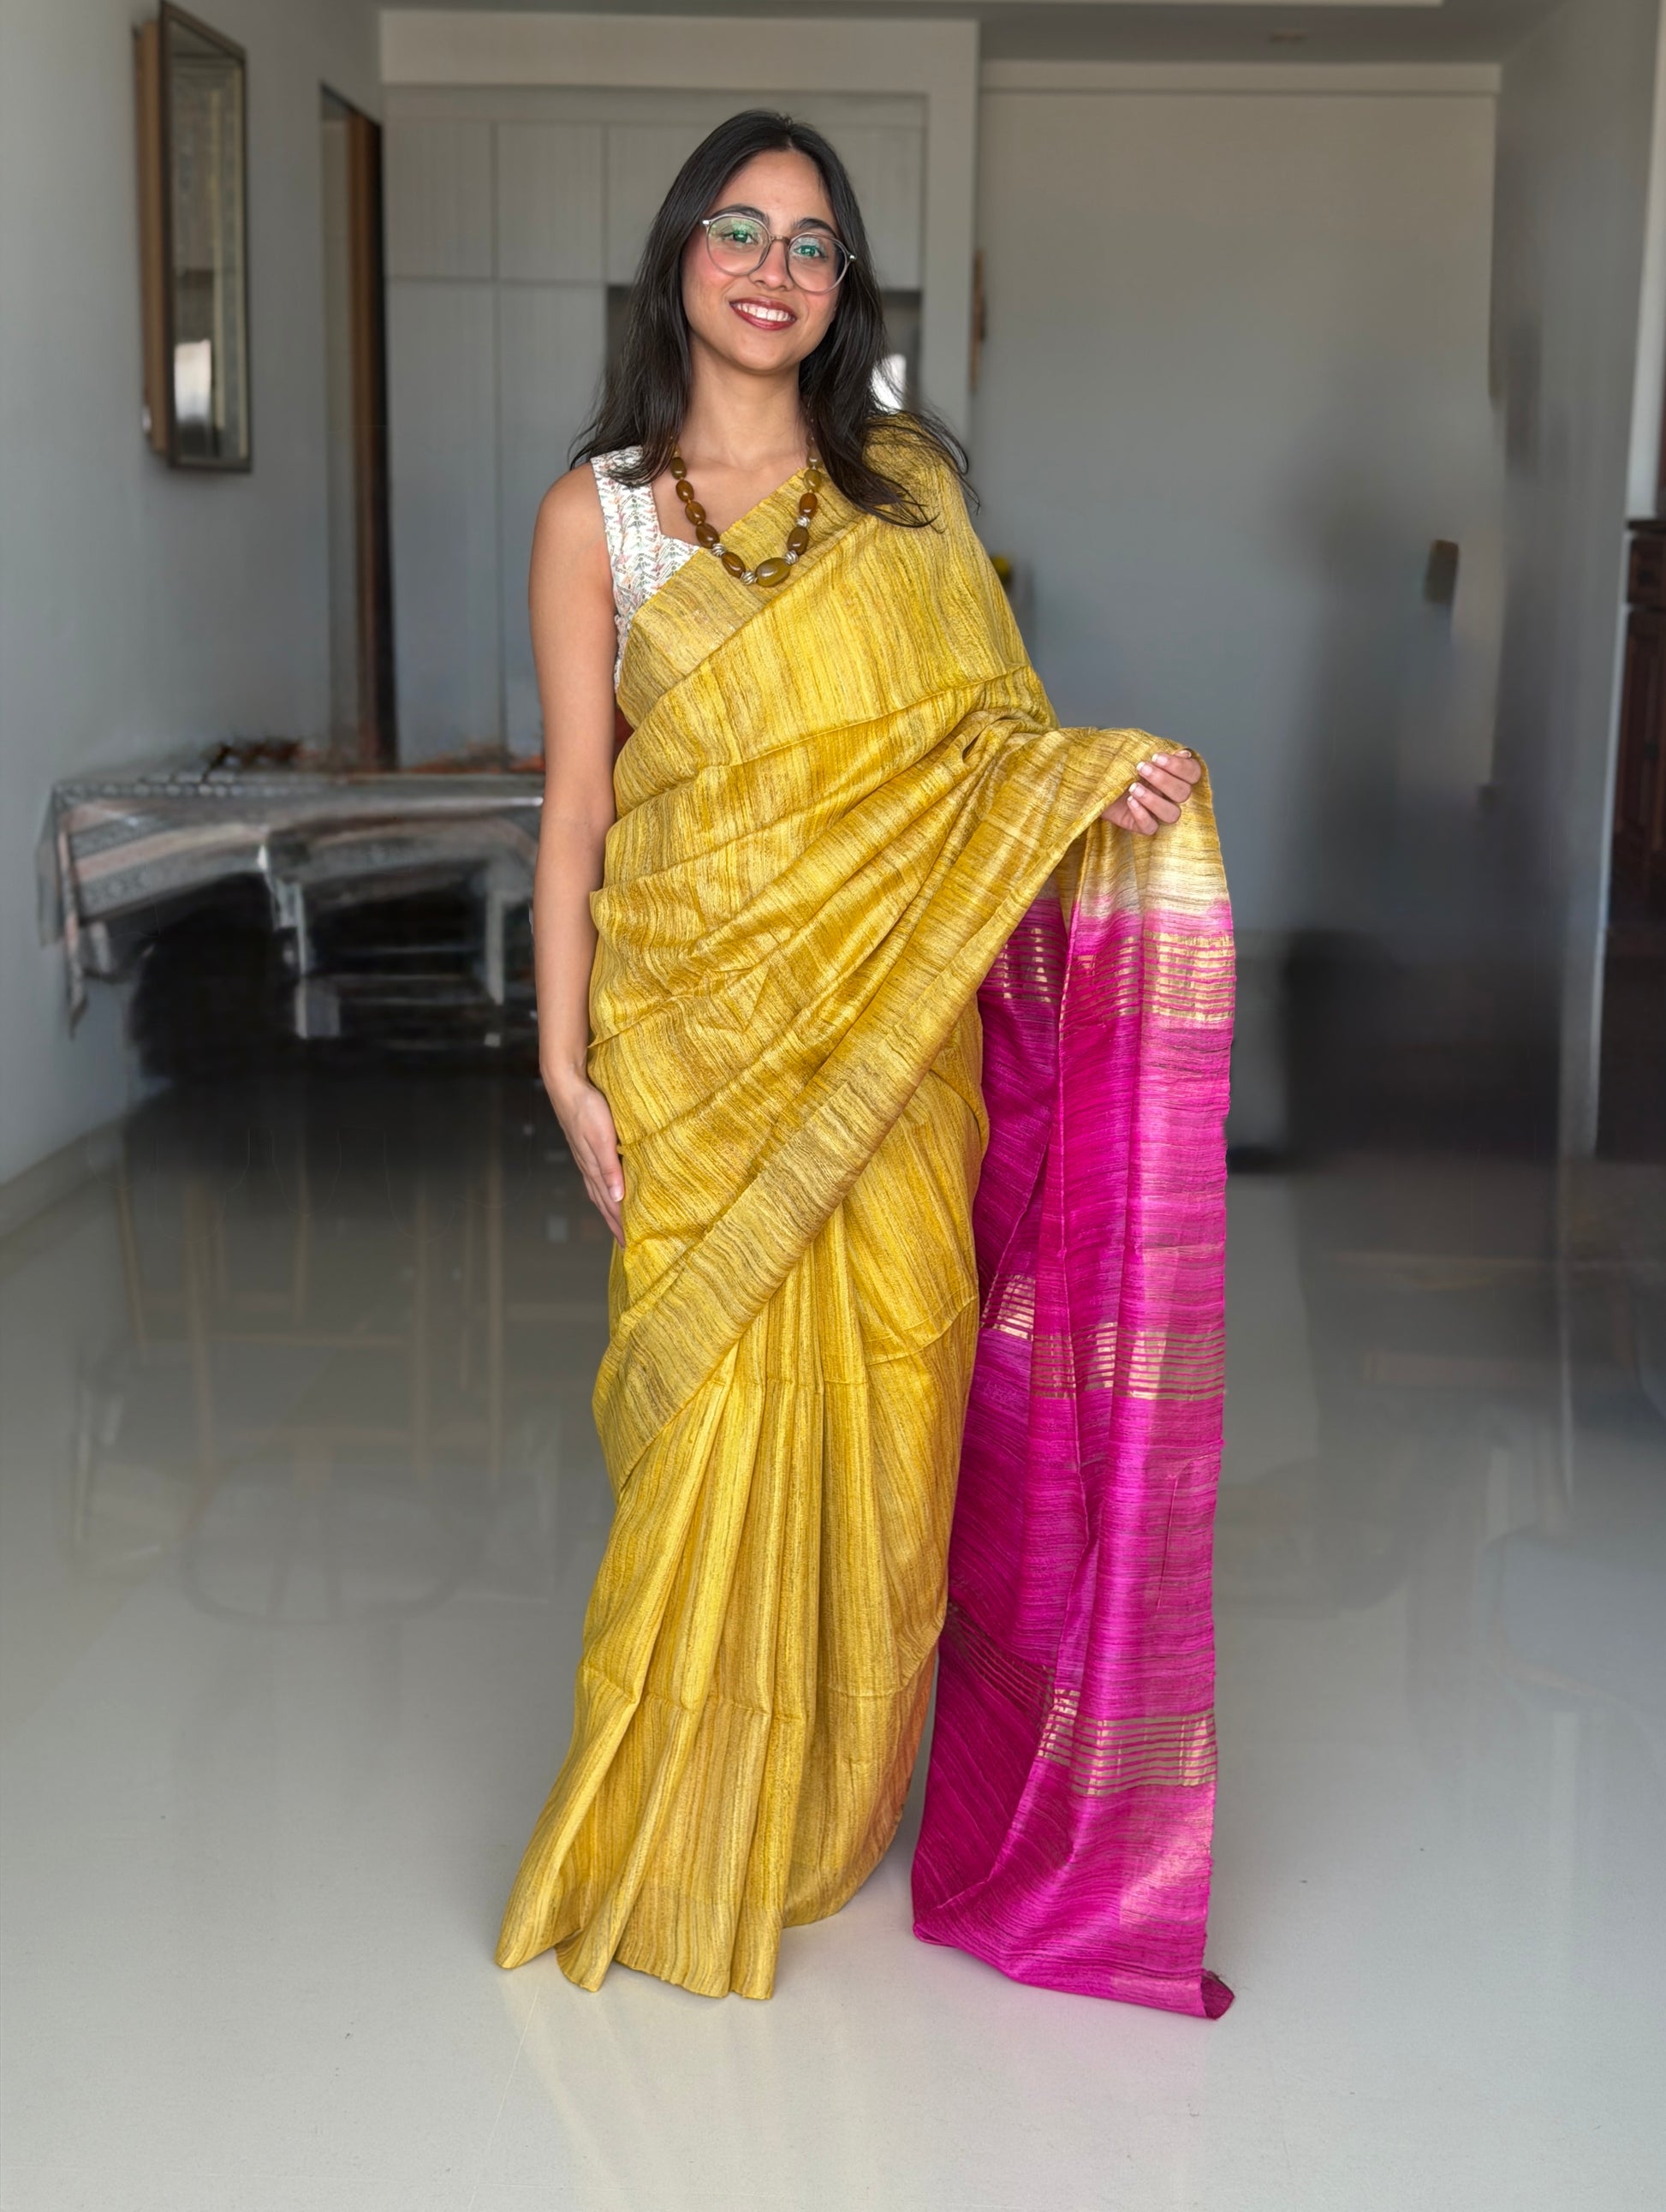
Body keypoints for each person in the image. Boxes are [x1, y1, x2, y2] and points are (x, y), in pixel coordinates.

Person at [494, 110, 1234, 2017]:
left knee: (898, 1408)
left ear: (843, 288)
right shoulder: (599, 516)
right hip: (696, 1044)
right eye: (738, 231)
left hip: (891, 1050)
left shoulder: (901, 499)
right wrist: (565, 1063)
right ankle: (685, 1810)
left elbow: (982, 749)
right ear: (679, 256)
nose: (772, 269)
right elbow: (575, 812)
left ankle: (827, 1808)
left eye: (810, 243)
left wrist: (1084, 780)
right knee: (709, 1423)